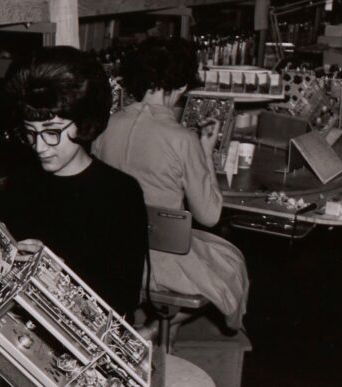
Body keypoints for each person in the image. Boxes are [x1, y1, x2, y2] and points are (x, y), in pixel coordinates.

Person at [93, 37, 249, 334]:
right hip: (158, 261)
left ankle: (151, 329)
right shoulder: (182, 139)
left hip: (111, 250)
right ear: (181, 87)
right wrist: (204, 153)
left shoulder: (107, 124)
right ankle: (154, 330)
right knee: (232, 262)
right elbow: (210, 216)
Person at [0, 45, 147, 320]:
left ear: (84, 123)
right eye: (30, 133)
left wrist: (59, 277)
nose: (39, 147)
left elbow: (124, 299)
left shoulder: (120, 193)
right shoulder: (21, 184)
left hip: (87, 333)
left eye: (52, 132)